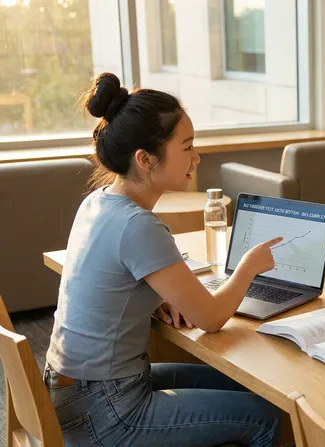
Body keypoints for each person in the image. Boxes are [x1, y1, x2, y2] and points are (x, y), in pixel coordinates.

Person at [44, 73, 283, 446]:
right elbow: (211, 318)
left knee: (246, 388)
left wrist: (154, 297)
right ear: (145, 159)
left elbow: (110, 283)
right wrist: (249, 265)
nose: (197, 157)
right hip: (107, 410)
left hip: (74, 390)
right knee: (267, 418)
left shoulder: (97, 202)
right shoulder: (138, 225)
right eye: (187, 146)